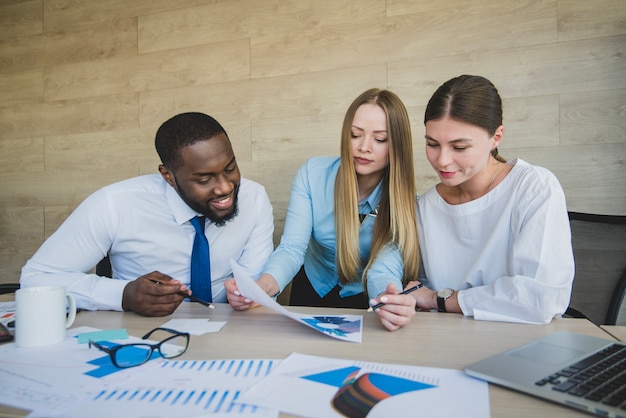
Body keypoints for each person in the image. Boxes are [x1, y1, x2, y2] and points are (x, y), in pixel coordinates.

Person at [20, 112, 274, 317]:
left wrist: (246, 294)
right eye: (204, 179)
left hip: (231, 330)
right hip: (141, 335)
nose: (225, 187)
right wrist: (124, 294)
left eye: (230, 168)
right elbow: (36, 280)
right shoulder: (115, 204)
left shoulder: (255, 198)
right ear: (168, 176)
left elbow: (255, 283)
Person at [225, 88, 421, 331]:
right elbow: (292, 248)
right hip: (312, 287)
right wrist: (262, 287)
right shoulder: (312, 175)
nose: (364, 147)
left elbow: (384, 267)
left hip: (366, 296)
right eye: (355, 135)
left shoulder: (405, 201)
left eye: (380, 139)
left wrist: (388, 299)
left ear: (397, 145)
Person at [408, 74, 574, 324]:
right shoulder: (426, 207)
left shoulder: (534, 187)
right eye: (432, 144)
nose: (442, 160)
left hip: (521, 344)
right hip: (444, 342)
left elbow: (540, 300)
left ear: (496, 137)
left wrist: (440, 300)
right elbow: (422, 292)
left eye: (459, 147)